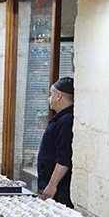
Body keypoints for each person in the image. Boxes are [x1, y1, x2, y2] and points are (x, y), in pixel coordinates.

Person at [38, 77, 75, 207]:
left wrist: (52, 184)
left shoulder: (66, 120)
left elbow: (64, 157)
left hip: (59, 190)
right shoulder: (60, 118)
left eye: (51, 94)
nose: (49, 98)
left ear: (59, 96)